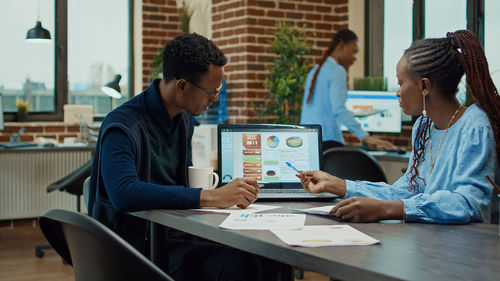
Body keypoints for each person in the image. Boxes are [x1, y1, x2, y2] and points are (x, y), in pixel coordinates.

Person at [87, 33, 265, 280]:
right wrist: (211, 196)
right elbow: (124, 193)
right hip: (131, 249)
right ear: (182, 86)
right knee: (240, 266)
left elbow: (182, 183)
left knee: (263, 257)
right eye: (211, 93)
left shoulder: (183, 119)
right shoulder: (123, 125)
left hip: (170, 235)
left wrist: (226, 195)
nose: (213, 101)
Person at [299, 30, 500, 224]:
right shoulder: (423, 127)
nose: (397, 92)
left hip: (463, 251)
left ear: (424, 86)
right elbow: (406, 192)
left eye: (400, 82)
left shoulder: (475, 127)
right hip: (428, 243)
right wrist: (337, 184)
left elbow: (468, 203)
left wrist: (387, 209)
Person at [300, 29, 395, 151]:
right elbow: (338, 110)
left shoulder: (315, 71)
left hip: (307, 143)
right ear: (342, 45)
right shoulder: (337, 71)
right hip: (328, 142)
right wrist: (364, 136)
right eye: (354, 52)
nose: (355, 58)